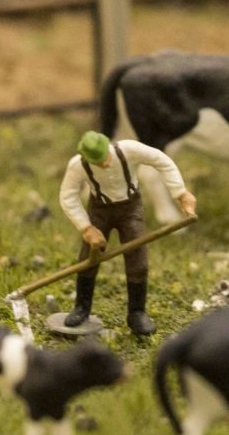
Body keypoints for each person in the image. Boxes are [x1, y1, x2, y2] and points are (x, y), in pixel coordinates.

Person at [59, 131, 196, 335]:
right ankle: (82, 308)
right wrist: (86, 228)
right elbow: (67, 196)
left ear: (108, 146)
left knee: (137, 259)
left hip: (130, 209)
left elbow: (163, 161)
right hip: (99, 211)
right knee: (88, 257)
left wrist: (180, 193)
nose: (103, 164)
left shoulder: (129, 150)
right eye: (96, 162)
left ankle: (137, 312)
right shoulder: (77, 165)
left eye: (103, 158)